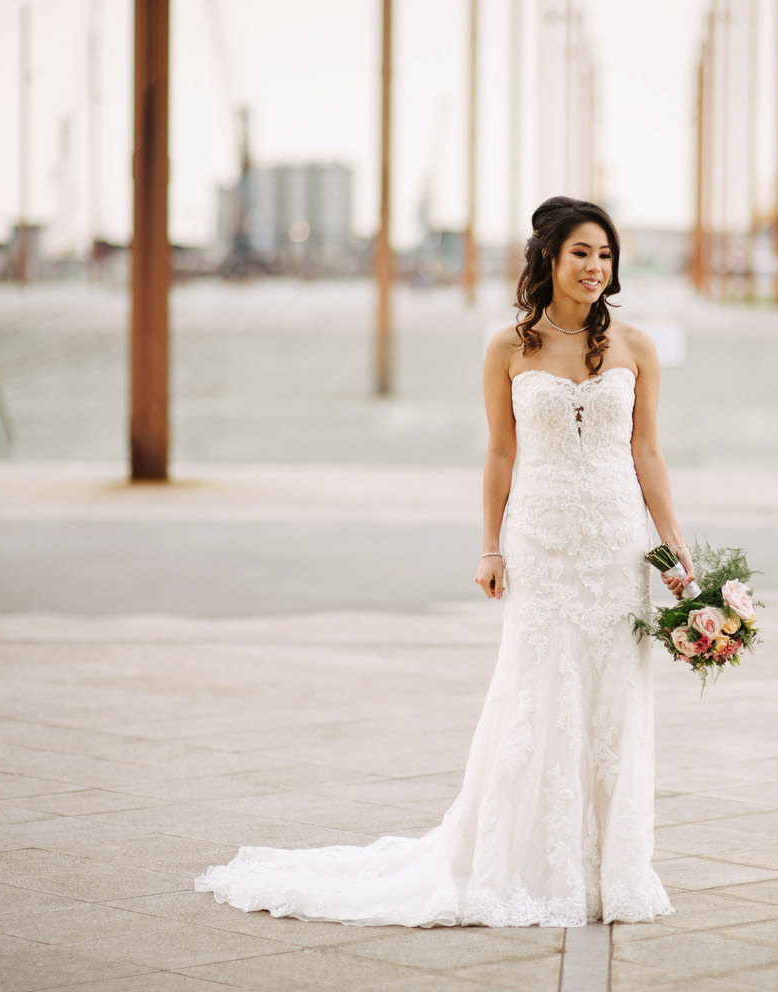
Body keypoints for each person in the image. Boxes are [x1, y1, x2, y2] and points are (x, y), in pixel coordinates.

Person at [194, 196, 694, 927]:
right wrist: (489, 545)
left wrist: (672, 543)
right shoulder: (507, 347)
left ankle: (607, 868)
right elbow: (499, 453)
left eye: (606, 255)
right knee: (538, 694)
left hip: (617, 544)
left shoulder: (637, 346)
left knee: (615, 699)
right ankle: (527, 864)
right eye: (582, 253)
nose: (595, 267)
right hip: (544, 543)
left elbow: (647, 452)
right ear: (549, 260)